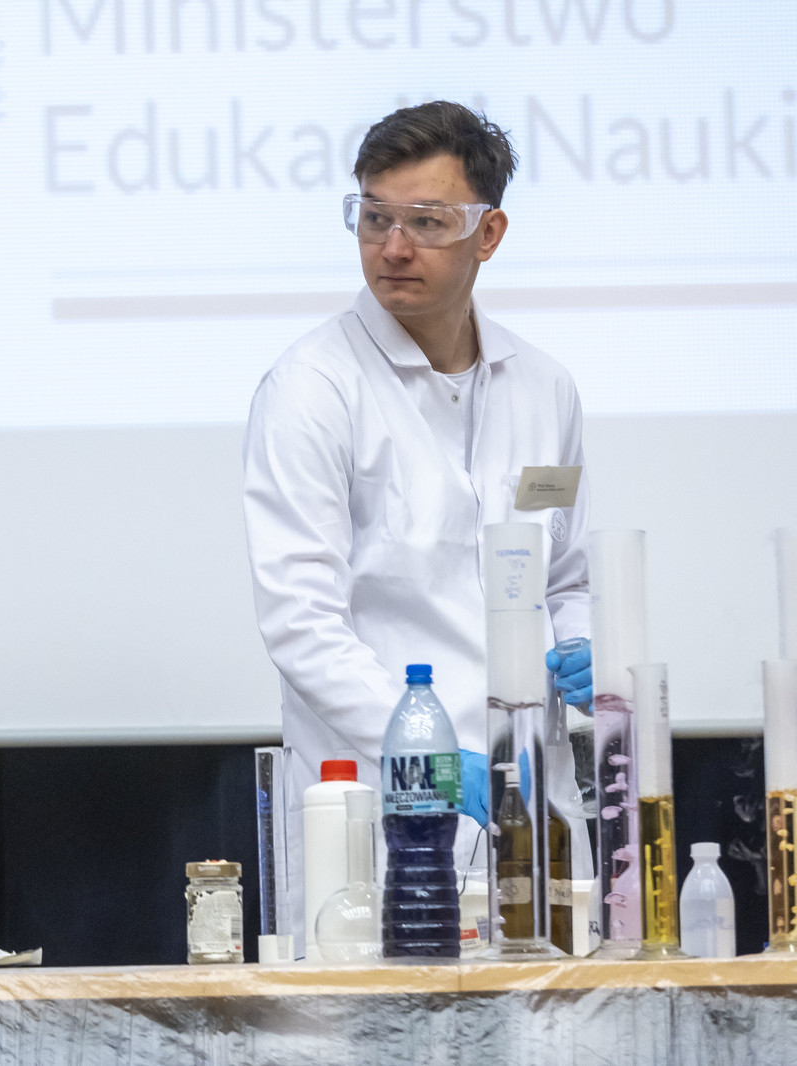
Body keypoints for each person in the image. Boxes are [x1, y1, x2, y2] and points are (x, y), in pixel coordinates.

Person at [242, 102, 592, 955]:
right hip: (376, 813)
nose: (392, 248)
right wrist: (420, 756)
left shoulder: (544, 388)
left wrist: (588, 647)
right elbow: (300, 621)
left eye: (426, 223)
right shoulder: (312, 388)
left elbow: (568, 579)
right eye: (374, 218)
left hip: (533, 807)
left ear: (488, 233)